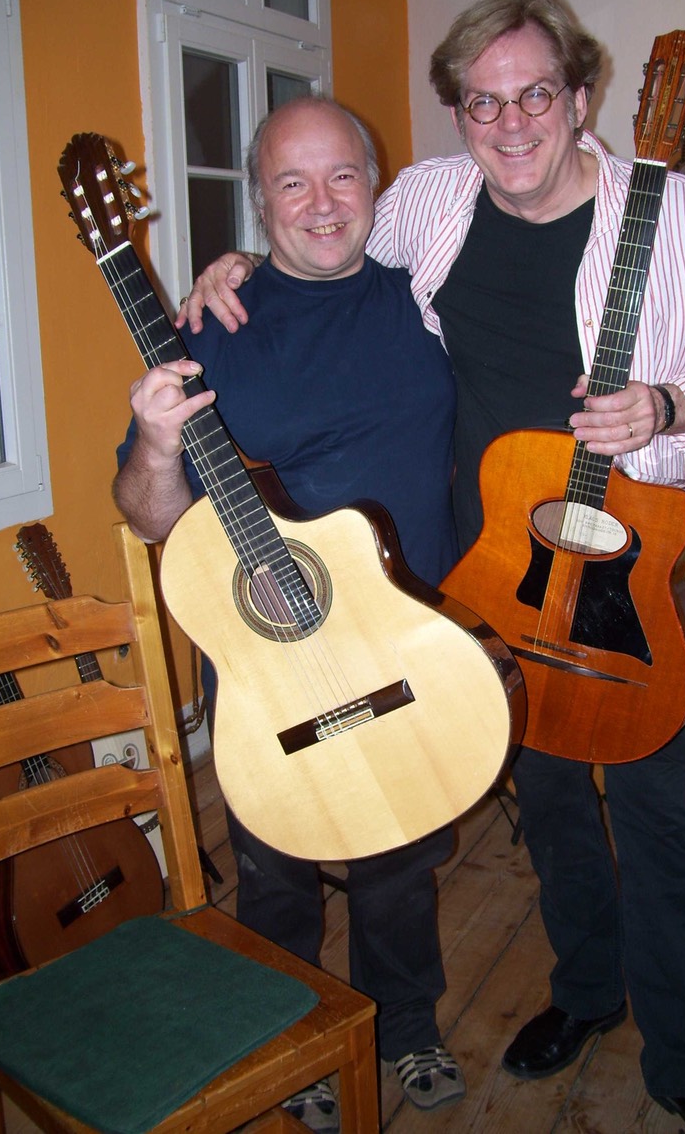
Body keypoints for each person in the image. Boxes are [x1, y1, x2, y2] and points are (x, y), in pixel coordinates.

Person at [178, 0, 685, 1131]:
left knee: (651, 819)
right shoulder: (429, 201)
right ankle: (586, 991)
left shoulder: (678, 214)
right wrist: (234, 270)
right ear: (456, 112)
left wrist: (668, 401)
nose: (510, 122)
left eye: (534, 93)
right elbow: (328, 246)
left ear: (581, 97)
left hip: (630, 573)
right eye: (482, 100)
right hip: (496, 571)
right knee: (546, 804)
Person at [113, 96, 469, 1133]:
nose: (321, 204)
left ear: (378, 180)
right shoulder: (209, 326)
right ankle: (286, 1030)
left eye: (342, 176)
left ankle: (405, 1022)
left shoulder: (429, 297)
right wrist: (153, 446)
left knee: (400, 858)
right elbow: (145, 518)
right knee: (276, 863)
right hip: (269, 645)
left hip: (408, 631)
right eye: (290, 182)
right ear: (257, 199)